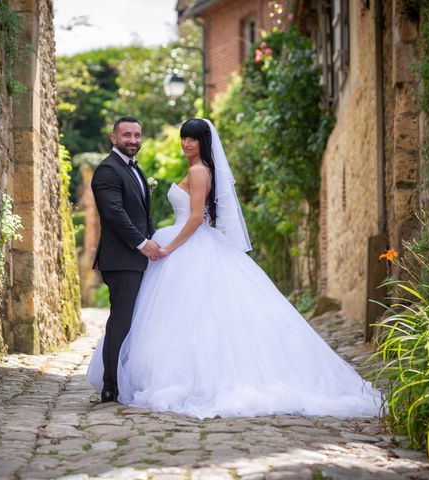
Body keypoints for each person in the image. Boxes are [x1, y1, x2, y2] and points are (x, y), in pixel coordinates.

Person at [87, 118, 382, 419]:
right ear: (114, 137)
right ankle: (118, 381)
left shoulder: (199, 172)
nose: (186, 144)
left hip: (181, 245)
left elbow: (194, 220)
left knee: (188, 316)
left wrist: (167, 247)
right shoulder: (118, 171)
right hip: (157, 248)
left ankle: (139, 381)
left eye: (193, 139)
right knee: (163, 316)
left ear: (205, 143)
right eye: (184, 138)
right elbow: (122, 212)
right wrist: (151, 242)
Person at [90, 116, 162, 403]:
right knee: (121, 321)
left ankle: (124, 379)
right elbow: (114, 214)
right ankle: (111, 386)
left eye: (137, 135)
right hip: (121, 259)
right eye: (127, 135)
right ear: (113, 138)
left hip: (136, 258)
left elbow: (142, 215)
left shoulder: (135, 170)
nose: (133, 140)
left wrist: (154, 238)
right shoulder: (107, 171)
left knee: (133, 320)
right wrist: (143, 243)